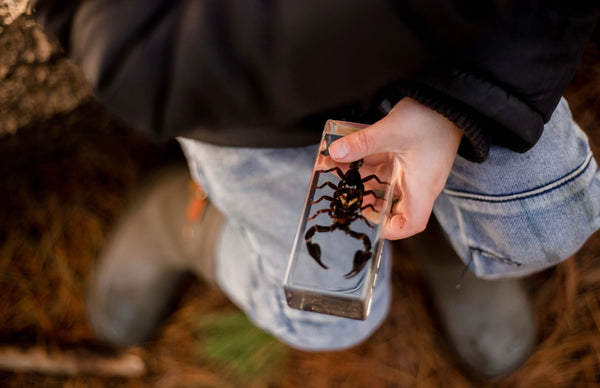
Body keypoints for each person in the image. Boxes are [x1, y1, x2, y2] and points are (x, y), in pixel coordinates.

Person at [32, 0, 600, 378]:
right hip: (249, 108)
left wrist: (458, 107)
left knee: (546, 225)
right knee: (324, 314)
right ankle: (184, 222)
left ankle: (437, 234)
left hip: (462, 57)